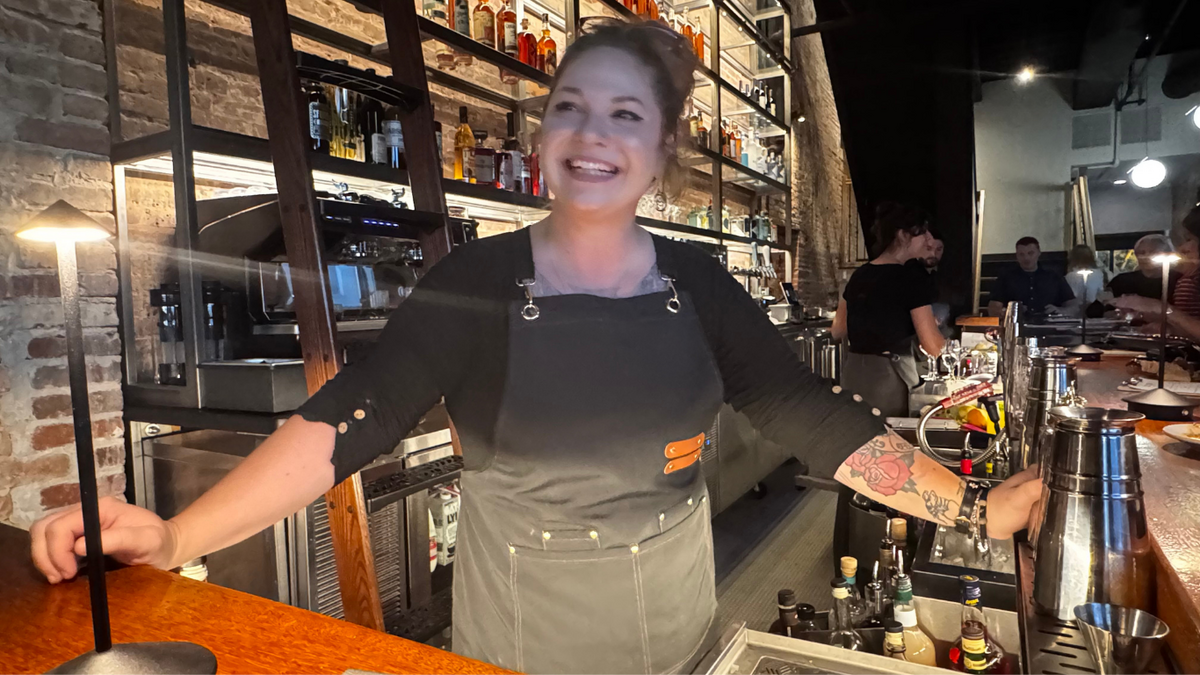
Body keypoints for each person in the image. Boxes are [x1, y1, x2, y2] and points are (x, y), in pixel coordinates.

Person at [27, 21, 1041, 675]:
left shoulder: (698, 284)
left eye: (626, 115)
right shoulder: (473, 282)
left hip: (681, 628)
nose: (593, 134)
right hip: (524, 643)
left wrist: (971, 507)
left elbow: (810, 415)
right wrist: (175, 538)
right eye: (572, 108)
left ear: (661, 151)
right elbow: (346, 422)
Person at [833, 202, 945, 418]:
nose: (929, 240)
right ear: (903, 235)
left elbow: (838, 330)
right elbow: (933, 346)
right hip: (889, 381)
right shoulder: (911, 278)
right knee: (889, 438)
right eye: (923, 233)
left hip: (853, 377)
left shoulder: (859, 275)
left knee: (857, 435)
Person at [1112, 207, 1200, 337]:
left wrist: (1163, 309)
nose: (1182, 248)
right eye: (1141, 253)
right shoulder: (1190, 277)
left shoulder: (1186, 279)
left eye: (1189, 239)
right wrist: (1167, 329)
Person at [987, 236, 1075, 317]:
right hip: (1018, 323)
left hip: (1050, 324)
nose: (1026, 258)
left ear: (1039, 253)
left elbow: (1073, 305)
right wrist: (1011, 312)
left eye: (1030, 253)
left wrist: (1061, 311)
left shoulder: (1054, 276)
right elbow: (993, 308)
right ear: (1016, 255)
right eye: (1021, 254)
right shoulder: (1006, 277)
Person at [1107, 234, 1180, 301]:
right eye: (1141, 252)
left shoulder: (1178, 280)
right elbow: (1107, 306)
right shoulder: (1121, 281)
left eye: (1153, 252)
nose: (1146, 256)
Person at [1066, 244, 1106, 317]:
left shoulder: (1069, 277)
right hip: (1095, 312)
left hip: (1078, 313)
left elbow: (1070, 298)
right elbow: (1101, 293)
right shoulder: (1099, 273)